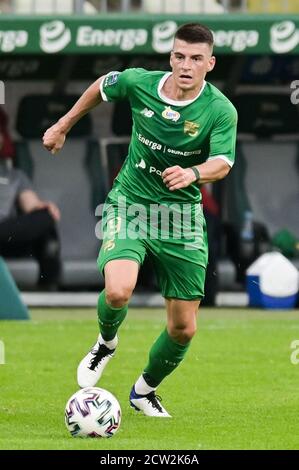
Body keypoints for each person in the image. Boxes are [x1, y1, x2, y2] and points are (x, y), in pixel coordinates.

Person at [43, 23, 237, 417]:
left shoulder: (220, 110)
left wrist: (193, 173)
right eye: (180, 56)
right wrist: (63, 125)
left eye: (196, 59)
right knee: (118, 290)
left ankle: (144, 391)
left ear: (210, 64)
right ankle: (106, 342)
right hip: (130, 205)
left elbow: (224, 162)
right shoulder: (139, 83)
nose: (186, 65)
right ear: (171, 57)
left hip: (181, 218)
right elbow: (102, 85)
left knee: (184, 328)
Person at [0, 161, 61, 290]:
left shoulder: (15, 175)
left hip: (6, 235)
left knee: (46, 217)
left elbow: (31, 204)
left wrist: (42, 207)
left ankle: (48, 290)